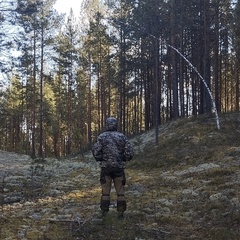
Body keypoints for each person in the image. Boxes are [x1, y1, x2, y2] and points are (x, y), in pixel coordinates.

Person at [92, 117, 134, 219]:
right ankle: (120, 214)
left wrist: (100, 159)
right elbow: (129, 152)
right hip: (119, 168)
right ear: (116, 125)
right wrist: (123, 159)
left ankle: (104, 213)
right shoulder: (122, 137)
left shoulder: (102, 137)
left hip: (106, 168)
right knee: (120, 191)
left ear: (107, 124)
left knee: (105, 191)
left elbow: (96, 151)